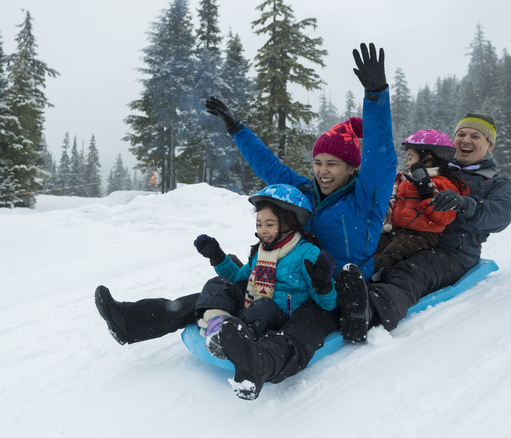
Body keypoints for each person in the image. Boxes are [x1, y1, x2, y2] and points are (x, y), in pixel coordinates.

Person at [94, 42, 396, 400]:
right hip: (285, 272)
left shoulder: (367, 198)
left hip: (329, 290)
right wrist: (236, 129)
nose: (323, 172)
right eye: (318, 163)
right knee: (221, 295)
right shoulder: (307, 191)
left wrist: (376, 95)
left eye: (332, 164)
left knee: (304, 329)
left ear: (351, 168)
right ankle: (132, 322)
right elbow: (268, 166)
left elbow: (381, 156)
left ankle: (258, 364)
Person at [338, 112, 511, 344]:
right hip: (410, 236)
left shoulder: (494, 182)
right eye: (461, 134)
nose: (466, 140)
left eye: (475, 136)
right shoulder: (433, 168)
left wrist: (465, 204)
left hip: (452, 251)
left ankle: (371, 311)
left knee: (410, 272)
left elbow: (501, 215)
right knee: (370, 255)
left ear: (489, 145)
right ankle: (339, 293)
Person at [194, 184, 337, 359]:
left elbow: (327, 305)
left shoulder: (307, 253)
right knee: (218, 284)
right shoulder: (262, 251)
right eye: (259, 224)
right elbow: (238, 278)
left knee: (264, 308)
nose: (262, 231)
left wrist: (322, 286)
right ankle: (218, 327)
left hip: (280, 317)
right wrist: (217, 257)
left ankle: (232, 337)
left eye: (270, 224)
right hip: (253, 308)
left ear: (289, 224)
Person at [373, 129, 469, 280]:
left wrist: (427, 193)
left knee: (393, 253)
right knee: (372, 246)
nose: (407, 162)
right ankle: (356, 269)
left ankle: (379, 279)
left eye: (410, 157)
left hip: (421, 235)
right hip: (397, 230)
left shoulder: (444, 182)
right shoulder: (405, 180)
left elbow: (446, 216)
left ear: (428, 158)